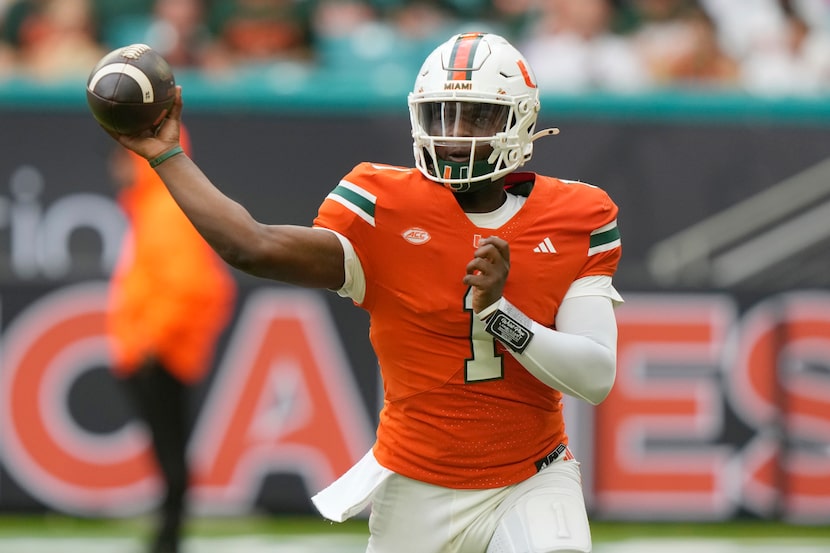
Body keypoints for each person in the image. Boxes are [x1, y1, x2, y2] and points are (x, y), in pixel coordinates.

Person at [102, 31, 623, 553]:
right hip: (419, 482)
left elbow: (595, 376)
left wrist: (501, 315)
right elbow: (253, 247)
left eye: (477, 116)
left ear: (520, 120)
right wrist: (167, 155)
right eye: (443, 114)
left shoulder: (577, 215)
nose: (454, 134)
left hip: (532, 477)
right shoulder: (383, 205)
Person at [106, 126, 237, 553]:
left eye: (124, 156)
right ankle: (167, 539)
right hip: (158, 349)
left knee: (171, 457)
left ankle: (168, 541)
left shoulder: (163, 212)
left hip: (160, 352)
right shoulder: (154, 208)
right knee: (171, 455)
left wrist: (149, 340)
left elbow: (192, 286)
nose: (115, 167)